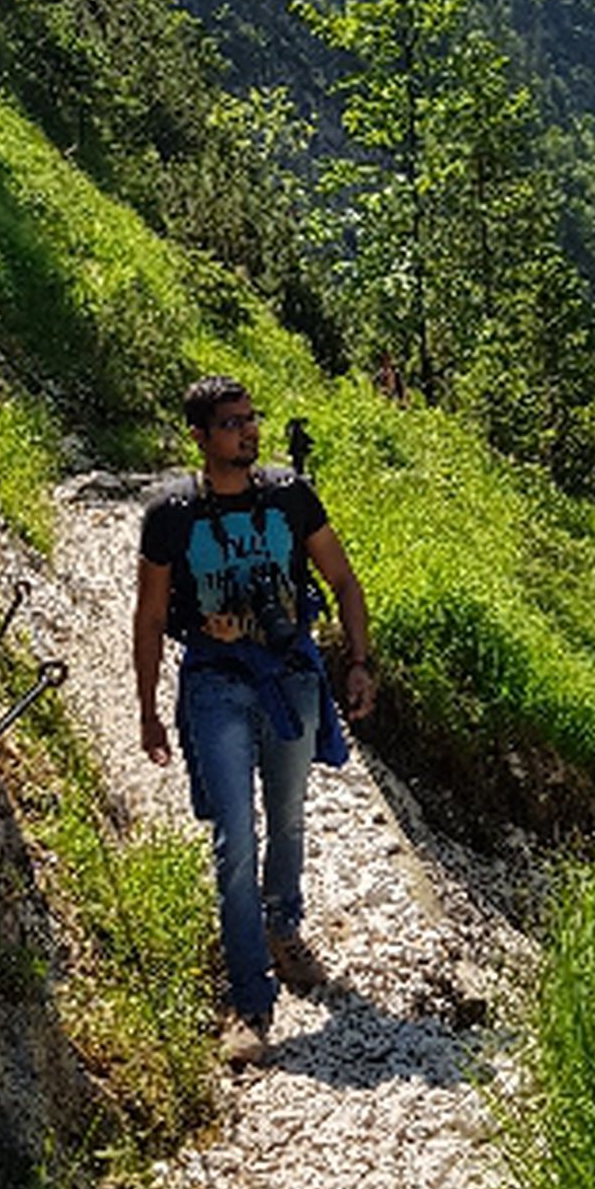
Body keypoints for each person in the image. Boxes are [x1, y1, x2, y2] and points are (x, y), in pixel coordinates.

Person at [132, 375, 375, 1067]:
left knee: (289, 816)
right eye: (232, 423)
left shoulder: (289, 496)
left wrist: (360, 662)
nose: (248, 431)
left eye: (251, 418)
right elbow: (150, 615)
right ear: (200, 435)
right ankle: (250, 999)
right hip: (214, 682)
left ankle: (282, 929)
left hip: (291, 676)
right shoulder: (171, 513)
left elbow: (343, 580)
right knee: (234, 837)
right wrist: (148, 709)